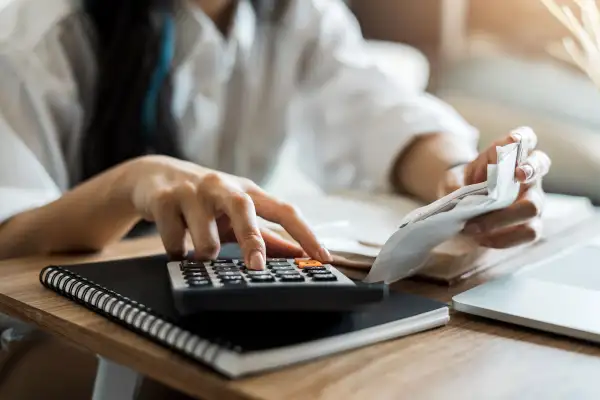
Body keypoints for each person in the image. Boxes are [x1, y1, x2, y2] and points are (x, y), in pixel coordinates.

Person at [0, 0, 551, 398]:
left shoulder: (297, 14)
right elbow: (8, 235)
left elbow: (380, 113)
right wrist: (133, 184)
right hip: (36, 336)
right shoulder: (38, 28)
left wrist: (460, 177)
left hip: (203, 304)